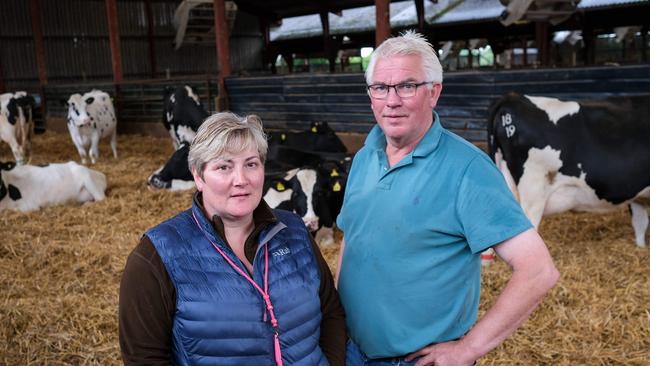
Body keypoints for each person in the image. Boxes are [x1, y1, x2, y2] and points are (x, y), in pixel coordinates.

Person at [335, 31, 560, 366]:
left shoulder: (468, 169)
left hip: (414, 360)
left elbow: (538, 271)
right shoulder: (365, 157)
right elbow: (350, 241)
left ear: (433, 92)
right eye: (380, 87)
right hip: (351, 351)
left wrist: (468, 349)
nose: (391, 100)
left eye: (407, 86)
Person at [119, 112, 346, 366]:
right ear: (198, 175)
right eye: (223, 167)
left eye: (251, 164)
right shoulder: (156, 255)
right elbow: (144, 358)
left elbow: (331, 312)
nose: (241, 180)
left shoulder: (294, 230)